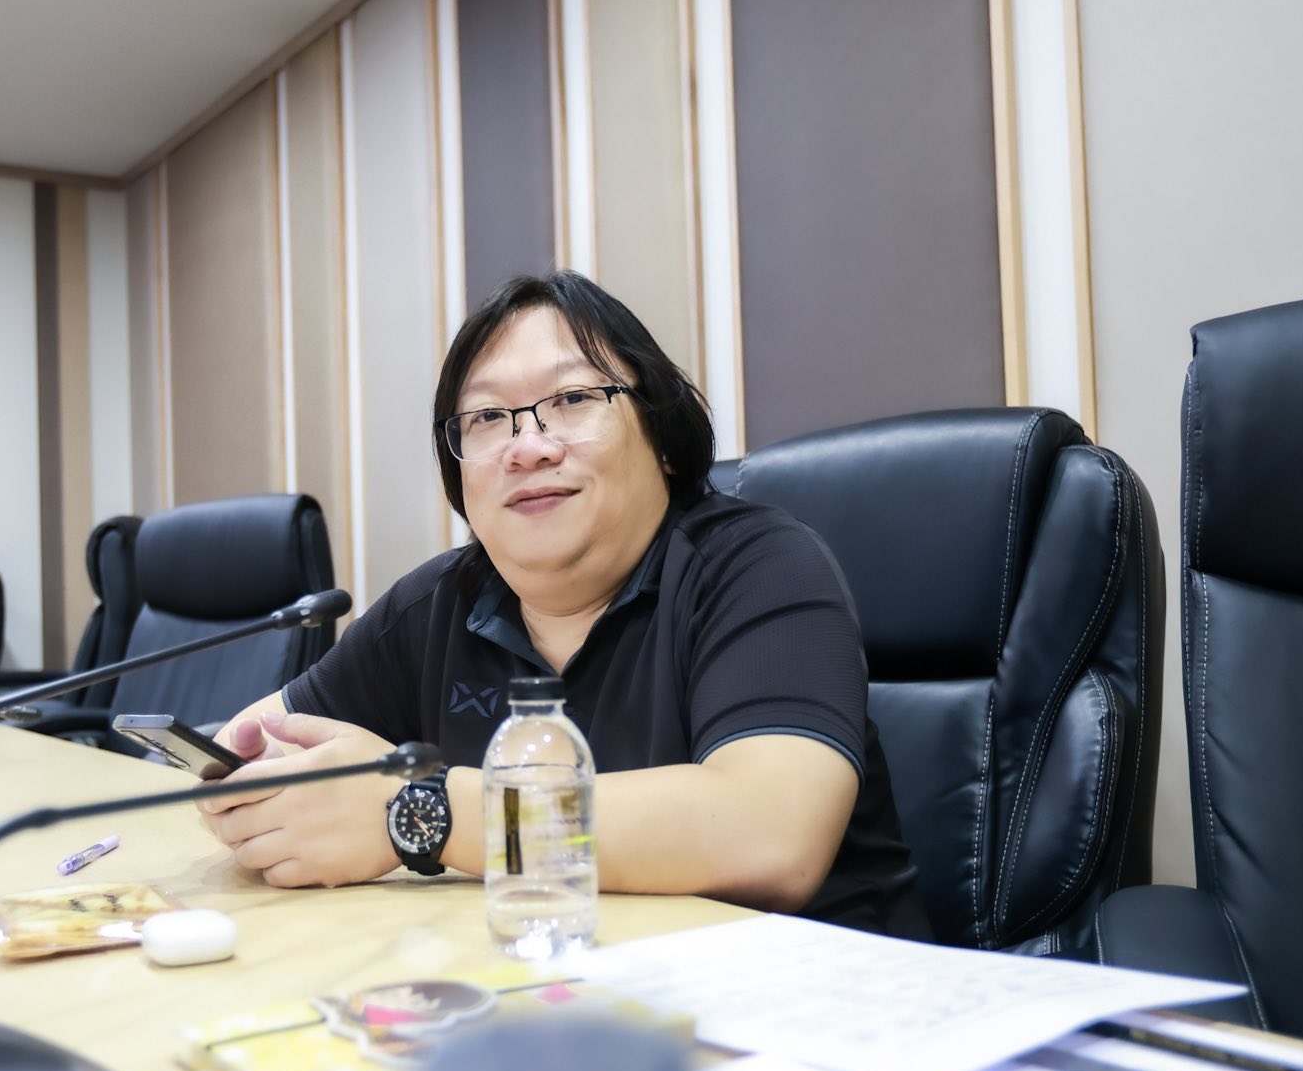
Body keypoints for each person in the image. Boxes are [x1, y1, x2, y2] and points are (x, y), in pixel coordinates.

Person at [195, 271, 929, 937]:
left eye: (573, 399)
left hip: (812, 1007)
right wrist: (249, 784)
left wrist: (419, 809)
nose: (528, 446)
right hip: (558, 988)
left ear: (664, 441)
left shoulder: (760, 565)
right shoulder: (438, 602)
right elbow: (257, 743)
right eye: (487, 418)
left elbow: (770, 836)